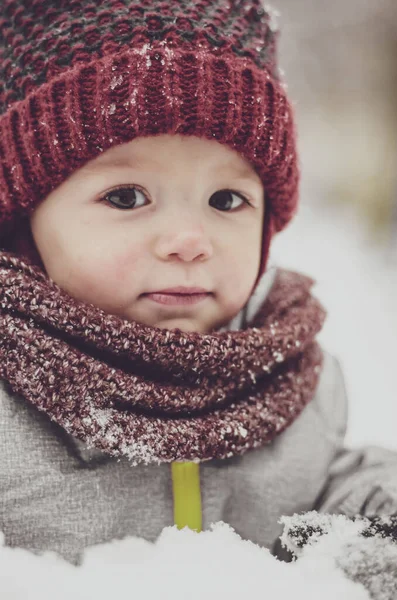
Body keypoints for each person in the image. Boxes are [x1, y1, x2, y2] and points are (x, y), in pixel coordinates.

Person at [0, 0, 396, 574]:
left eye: (226, 200)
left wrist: (372, 526)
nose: (190, 240)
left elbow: (335, 483)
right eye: (127, 197)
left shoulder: (294, 379)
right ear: (23, 220)